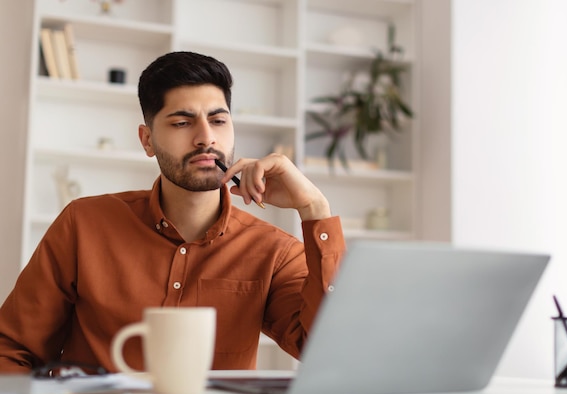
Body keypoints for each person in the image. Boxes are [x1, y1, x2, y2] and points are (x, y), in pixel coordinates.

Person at [0, 51, 345, 374]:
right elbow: (13, 349)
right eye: (182, 123)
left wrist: (315, 209)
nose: (205, 138)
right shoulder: (83, 224)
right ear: (147, 140)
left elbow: (326, 350)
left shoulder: (274, 252)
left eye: (218, 120)